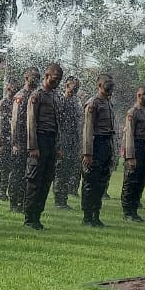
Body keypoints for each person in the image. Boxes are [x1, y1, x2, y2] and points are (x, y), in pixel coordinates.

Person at [20, 61, 61, 231]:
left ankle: (37, 216)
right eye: (55, 78)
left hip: (51, 141)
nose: (57, 82)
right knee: (35, 180)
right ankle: (29, 218)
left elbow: (57, 123)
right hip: (39, 140)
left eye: (59, 79)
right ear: (46, 76)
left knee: (46, 180)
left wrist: (58, 146)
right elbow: (31, 122)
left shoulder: (55, 96)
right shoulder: (37, 95)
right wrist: (32, 146)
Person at [80, 73, 116, 228]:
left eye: (112, 83)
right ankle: (87, 216)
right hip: (96, 144)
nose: (111, 86)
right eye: (107, 83)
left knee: (101, 181)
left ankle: (96, 214)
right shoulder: (93, 103)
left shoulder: (108, 103)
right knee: (91, 181)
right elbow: (88, 129)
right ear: (99, 85)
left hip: (106, 144)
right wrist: (88, 153)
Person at [8, 67, 40, 213]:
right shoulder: (20, 95)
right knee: (17, 172)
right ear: (26, 78)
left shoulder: (36, 95)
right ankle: (14, 202)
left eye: (38, 77)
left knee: (29, 173)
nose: (36, 79)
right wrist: (15, 143)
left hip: (31, 141)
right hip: (20, 140)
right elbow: (15, 121)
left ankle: (23, 201)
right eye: (33, 76)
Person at [120, 85, 145, 222]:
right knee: (131, 181)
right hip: (135, 147)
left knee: (140, 180)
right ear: (139, 95)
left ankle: (134, 210)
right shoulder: (132, 112)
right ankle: (128, 212)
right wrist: (130, 156)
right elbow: (129, 135)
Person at [53, 77, 82, 210]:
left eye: (77, 86)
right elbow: (58, 124)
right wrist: (58, 145)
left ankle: (63, 199)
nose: (75, 88)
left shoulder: (76, 102)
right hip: (63, 141)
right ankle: (59, 200)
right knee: (61, 171)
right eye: (73, 85)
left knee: (68, 171)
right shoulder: (62, 101)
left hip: (73, 142)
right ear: (66, 85)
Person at [0, 79, 20, 201]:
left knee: (7, 168)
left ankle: (3, 192)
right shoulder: (2, 104)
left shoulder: (15, 104)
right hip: (2, 141)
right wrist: (1, 143)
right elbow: (1, 126)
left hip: (10, 141)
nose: (16, 91)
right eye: (14, 88)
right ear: (8, 88)